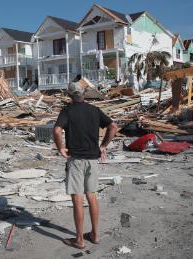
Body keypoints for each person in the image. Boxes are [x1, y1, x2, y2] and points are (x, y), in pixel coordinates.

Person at [53, 82, 117, 249]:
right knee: (92, 196)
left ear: (69, 95)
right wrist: (103, 146)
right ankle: (95, 235)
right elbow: (113, 126)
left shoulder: (67, 111)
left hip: (76, 160)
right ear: (84, 94)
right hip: (92, 160)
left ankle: (80, 239)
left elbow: (57, 130)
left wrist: (60, 148)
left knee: (77, 199)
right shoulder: (94, 111)